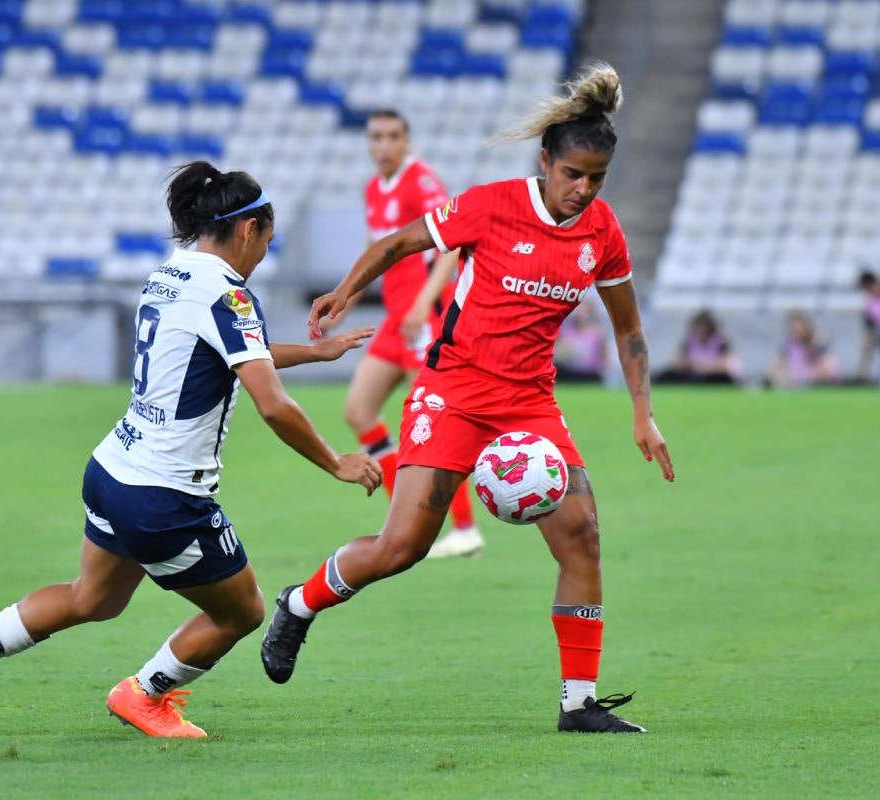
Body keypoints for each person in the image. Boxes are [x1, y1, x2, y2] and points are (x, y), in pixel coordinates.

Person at [0, 162, 382, 739]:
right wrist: (337, 462)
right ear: (248, 230)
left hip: (112, 469)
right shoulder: (229, 293)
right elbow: (272, 404)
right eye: (266, 243)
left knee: (92, 597)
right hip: (164, 493)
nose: (261, 257)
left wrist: (313, 353)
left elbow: (224, 348)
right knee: (243, 610)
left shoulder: (169, 275)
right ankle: (144, 694)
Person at [260, 63, 675, 734]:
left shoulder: (602, 232)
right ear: (547, 161)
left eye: (597, 178)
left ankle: (579, 704)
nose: (584, 189)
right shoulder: (493, 204)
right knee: (402, 548)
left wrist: (641, 412)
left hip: (530, 406)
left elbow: (628, 328)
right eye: (574, 174)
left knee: (583, 540)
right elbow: (400, 242)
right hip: (451, 392)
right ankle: (299, 604)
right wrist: (346, 291)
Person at [324, 109, 483, 559]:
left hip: (426, 318)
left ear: (406, 140)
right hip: (397, 320)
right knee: (358, 410)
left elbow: (453, 245)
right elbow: (375, 249)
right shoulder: (374, 189)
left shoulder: (422, 182)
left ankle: (465, 528)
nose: (383, 146)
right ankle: (402, 514)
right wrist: (346, 295)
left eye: (393, 137)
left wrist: (421, 302)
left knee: (433, 424)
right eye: (376, 138)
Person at [655, 310, 741, 385]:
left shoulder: (721, 342)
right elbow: (677, 361)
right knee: (667, 375)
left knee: (723, 378)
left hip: (713, 375)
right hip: (694, 373)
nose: (700, 330)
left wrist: (704, 367)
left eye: (703, 327)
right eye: (698, 327)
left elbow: (724, 365)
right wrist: (692, 365)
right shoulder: (689, 341)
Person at [766, 310, 839, 389]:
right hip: (795, 386)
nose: (797, 332)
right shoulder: (788, 346)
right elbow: (774, 369)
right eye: (794, 330)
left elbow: (828, 369)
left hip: (817, 385)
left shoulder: (818, 344)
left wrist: (810, 375)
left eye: (800, 329)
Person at [553, 300, 610, 382]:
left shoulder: (596, 332)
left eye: (584, 311)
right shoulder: (565, 330)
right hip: (568, 373)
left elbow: (604, 356)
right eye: (578, 310)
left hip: (591, 375)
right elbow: (556, 351)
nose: (580, 314)